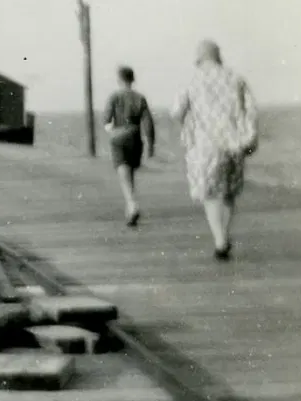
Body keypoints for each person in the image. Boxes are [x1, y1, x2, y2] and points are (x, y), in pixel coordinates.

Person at [172, 40, 259, 260]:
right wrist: (249, 138)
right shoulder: (236, 79)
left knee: (210, 193)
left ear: (200, 59)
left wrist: (188, 122)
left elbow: (176, 111)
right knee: (229, 191)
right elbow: (251, 111)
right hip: (234, 144)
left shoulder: (193, 81)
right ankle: (226, 233)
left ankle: (219, 239)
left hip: (205, 146)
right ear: (219, 57)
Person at [102, 66, 156, 227]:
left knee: (122, 169)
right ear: (133, 79)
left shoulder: (114, 96)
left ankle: (131, 203)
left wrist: (111, 131)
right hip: (134, 135)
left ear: (119, 80)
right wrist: (151, 144)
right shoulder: (140, 98)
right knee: (130, 170)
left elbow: (106, 119)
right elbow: (148, 123)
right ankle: (130, 206)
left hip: (118, 136)